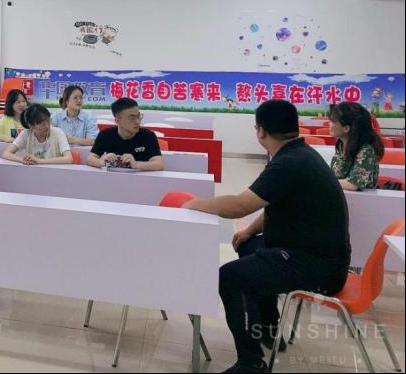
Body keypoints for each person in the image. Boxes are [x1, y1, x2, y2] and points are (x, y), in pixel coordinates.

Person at [184, 100, 351, 373]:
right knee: (249, 245)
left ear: (261, 131)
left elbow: (240, 205)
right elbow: (272, 203)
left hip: (317, 266)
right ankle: (268, 329)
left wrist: (194, 204)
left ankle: (251, 363)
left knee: (230, 277)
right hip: (313, 253)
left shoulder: (289, 163)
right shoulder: (299, 155)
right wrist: (249, 231)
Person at [85, 97, 164, 171]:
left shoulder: (148, 135)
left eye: (138, 116)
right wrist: (102, 162)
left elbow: (159, 164)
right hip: (113, 178)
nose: (137, 121)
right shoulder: (105, 135)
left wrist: (135, 164)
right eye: (132, 118)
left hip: (141, 178)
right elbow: (90, 159)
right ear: (117, 120)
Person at [328, 102, 384, 191]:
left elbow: (353, 184)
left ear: (346, 128)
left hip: (361, 198)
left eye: (332, 121)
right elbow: (334, 175)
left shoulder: (367, 150)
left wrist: (324, 181)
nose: (329, 124)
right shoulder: (341, 145)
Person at [2, 104, 72, 165]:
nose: (47, 126)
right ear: (31, 126)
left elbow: (69, 159)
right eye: (42, 124)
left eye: (48, 121)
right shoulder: (26, 134)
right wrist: (23, 160)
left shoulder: (58, 132)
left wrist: (39, 161)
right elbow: (6, 153)